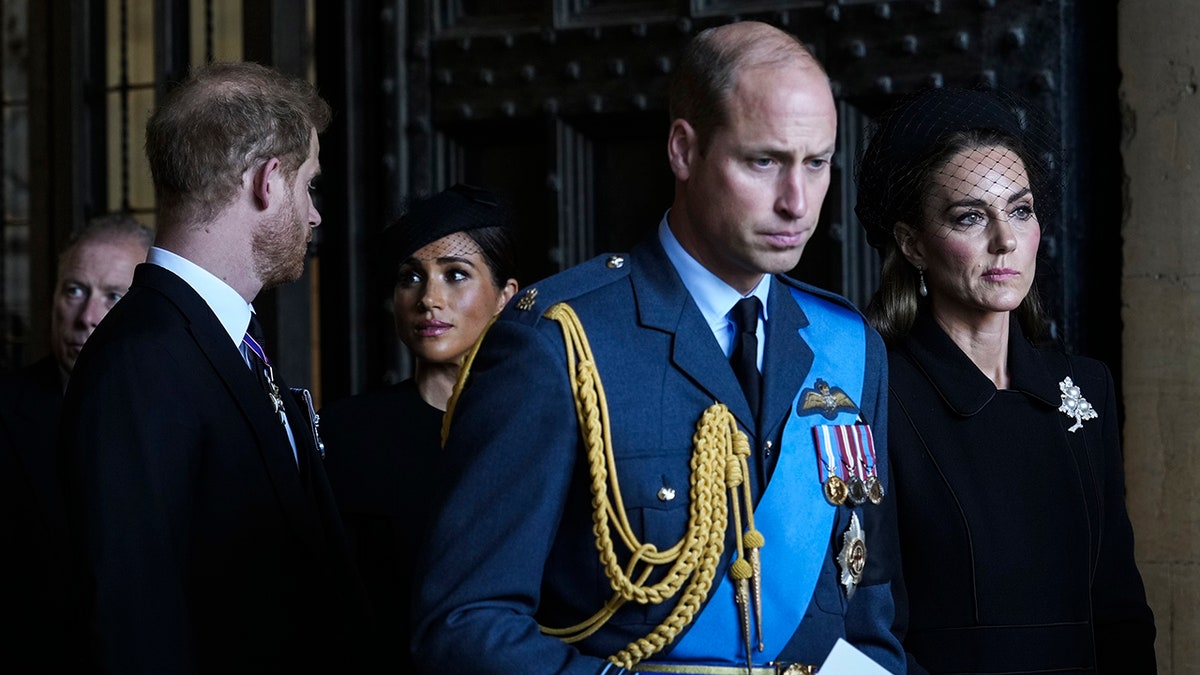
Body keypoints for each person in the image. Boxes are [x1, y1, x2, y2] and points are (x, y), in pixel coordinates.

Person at [412, 21, 904, 675]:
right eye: (763, 162)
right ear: (683, 151)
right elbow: (464, 626)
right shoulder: (560, 344)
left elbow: (868, 619)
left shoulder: (848, 346)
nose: (797, 202)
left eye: (816, 164)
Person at [58, 62, 370, 673]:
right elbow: (133, 621)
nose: (314, 215)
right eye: (309, 186)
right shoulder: (140, 361)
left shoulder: (223, 338)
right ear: (268, 181)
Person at [854, 86, 1156, 673]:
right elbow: (867, 622)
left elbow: (1120, 608)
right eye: (971, 217)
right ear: (912, 243)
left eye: (1020, 210)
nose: (1006, 240)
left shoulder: (1085, 387)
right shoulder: (875, 392)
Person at [319, 183, 518, 671]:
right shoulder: (344, 433)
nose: (429, 298)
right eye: (411, 277)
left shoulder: (534, 433)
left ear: (504, 296)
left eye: (455, 275)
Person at [0, 213, 151, 673]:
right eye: (74, 291)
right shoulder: (6, 411)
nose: (87, 318)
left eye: (113, 296)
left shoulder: (177, 412)